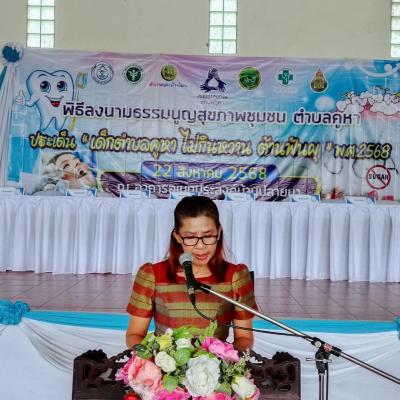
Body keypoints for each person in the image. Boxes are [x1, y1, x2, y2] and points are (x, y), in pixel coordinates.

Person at [125, 196, 257, 352]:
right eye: (190, 237)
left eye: (208, 235)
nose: (200, 246)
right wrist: (152, 358)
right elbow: (134, 335)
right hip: (163, 365)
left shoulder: (236, 277)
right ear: (177, 236)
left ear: (219, 232)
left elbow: (244, 339)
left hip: (216, 365)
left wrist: (225, 360)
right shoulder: (151, 276)